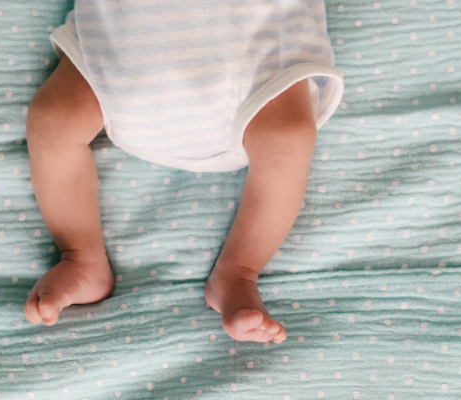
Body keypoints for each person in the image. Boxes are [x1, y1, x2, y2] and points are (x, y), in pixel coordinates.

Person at [23, 0, 343, 344]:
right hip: (118, 50)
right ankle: (81, 256)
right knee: (52, 120)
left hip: (258, 59)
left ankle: (238, 272)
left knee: (289, 138)